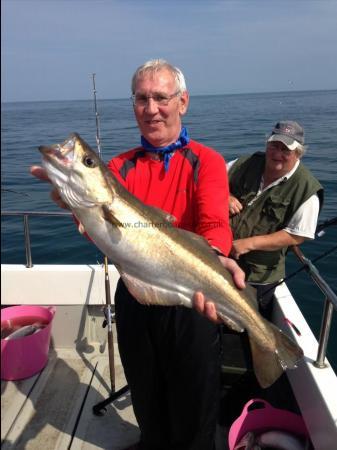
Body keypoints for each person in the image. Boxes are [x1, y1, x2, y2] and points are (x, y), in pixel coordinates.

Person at [31, 59, 245, 450]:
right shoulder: (117, 167)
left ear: (183, 102)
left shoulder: (206, 161)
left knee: (195, 401)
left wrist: (214, 259)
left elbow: (215, 224)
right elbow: (106, 236)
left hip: (191, 300)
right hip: (134, 293)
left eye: (161, 98)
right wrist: (78, 208)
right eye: (142, 99)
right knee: (147, 394)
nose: (151, 109)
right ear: (133, 106)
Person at [227, 120, 324, 319]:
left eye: (285, 150)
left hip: (258, 275)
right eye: (274, 146)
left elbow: (296, 236)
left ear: (298, 153)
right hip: (222, 256)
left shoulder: (307, 189)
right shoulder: (246, 163)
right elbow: (213, 176)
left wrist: (249, 244)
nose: (277, 154)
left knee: (248, 324)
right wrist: (223, 195)